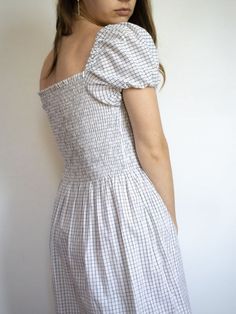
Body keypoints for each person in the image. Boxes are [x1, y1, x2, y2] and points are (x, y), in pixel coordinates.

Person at [38, 0, 192, 313]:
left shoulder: (50, 61)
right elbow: (152, 147)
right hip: (124, 212)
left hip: (72, 217)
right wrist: (167, 226)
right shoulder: (119, 40)